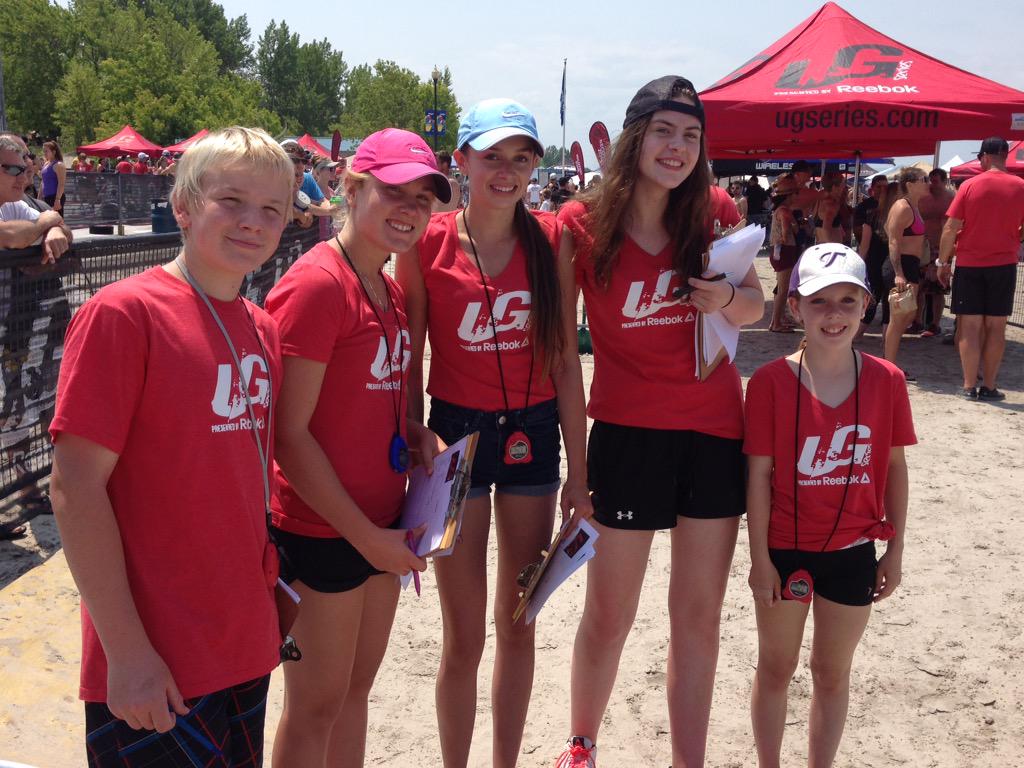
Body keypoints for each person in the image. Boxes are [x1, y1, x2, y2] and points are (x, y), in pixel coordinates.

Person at [48, 126, 293, 767]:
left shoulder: (261, 327)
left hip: (240, 640)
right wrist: (126, 653)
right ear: (183, 206)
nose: (253, 221)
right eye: (231, 200)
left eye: (272, 208)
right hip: (156, 657)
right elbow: (74, 489)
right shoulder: (124, 314)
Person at [554, 75, 764, 768]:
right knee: (610, 613)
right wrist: (576, 470)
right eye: (664, 131)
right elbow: (564, 358)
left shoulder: (715, 210)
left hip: (713, 434)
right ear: (635, 136)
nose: (677, 147)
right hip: (627, 437)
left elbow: (755, 309)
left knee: (696, 617)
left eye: (691, 135)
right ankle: (582, 744)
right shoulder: (580, 223)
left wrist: (725, 298)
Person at [397, 98, 591, 768]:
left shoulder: (551, 240)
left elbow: (564, 362)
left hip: (533, 433)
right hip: (456, 437)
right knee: (463, 638)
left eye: (521, 158)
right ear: (463, 161)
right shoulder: (427, 243)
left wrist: (580, 477)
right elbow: (410, 352)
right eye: (492, 157)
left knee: (518, 621)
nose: (507, 172)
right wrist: (412, 433)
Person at [265, 128, 448, 767]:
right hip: (322, 529)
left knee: (353, 695)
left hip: (381, 523)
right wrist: (367, 539)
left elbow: (365, 396)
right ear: (351, 187)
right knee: (315, 707)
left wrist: (414, 434)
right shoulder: (318, 284)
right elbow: (288, 436)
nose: (411, 210)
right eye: (395, 192)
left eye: (423, 199)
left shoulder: (387, 287)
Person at [744, 244, 913, 768]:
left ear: (867, 306)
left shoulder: (888, 381)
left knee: (832, 672)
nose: (833, 314)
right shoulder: (770, 382)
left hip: (854, 551)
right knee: (777, 668)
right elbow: (759, 476)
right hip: (785, 551)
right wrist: (759, 561)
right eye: (819, 300)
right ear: (795, 306)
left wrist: (894, 552)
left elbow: (895, 469)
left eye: (847, 300)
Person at [939, 137, 1024, 401]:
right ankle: (989, 386)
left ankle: (968, 386)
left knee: (970, 327)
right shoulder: (1021, 186)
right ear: (1004, 155)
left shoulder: (970, 185)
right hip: (1004, 263)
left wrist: (943, 262)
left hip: (970, 264)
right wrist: (1015, 237)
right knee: (997, 327)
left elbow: (951, 228)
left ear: (985, 157)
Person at [882, 168, 928, 381]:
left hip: (911, 265)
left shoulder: (912, 206)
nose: (927, 183)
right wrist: (899, 272)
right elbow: (893, 241)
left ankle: (888, 364)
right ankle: (889, 367)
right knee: (899, 319)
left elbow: (887, 228)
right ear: (910, 184)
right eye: (923, 179)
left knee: (906, 317)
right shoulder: (903, 207)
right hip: (902, 266)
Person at [916, 168, 955, 337]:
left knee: (938, 288)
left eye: (935, 181)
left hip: (941, 248)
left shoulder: (951, 198)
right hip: (923, 247)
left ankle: (934, 324)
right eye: (930, 181)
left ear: (944, 181)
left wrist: (949, 252)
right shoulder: (923, 197)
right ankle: (917, 321)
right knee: (919, 286)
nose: (932, 184)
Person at [853, 175, 889, 327]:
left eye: (885, 186)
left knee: (888, 291)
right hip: (871, 253)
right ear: (872, 188)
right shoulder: (864, 207)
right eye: (879, 186)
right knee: (872, 288)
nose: (882, 190)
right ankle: (864, 320)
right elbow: (857, 230)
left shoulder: (892, 205)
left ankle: (885, 322)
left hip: (888, 254)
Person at [768, 174, 800, 333]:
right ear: (789, 195)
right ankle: (776, 323)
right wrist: (796, 228)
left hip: (780, 250)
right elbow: (787, 233)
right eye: (795, 193)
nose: (797, 196)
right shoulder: (785, 211)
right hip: (784, 250)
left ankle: (777, 320)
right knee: (783, 289)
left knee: (781, 288)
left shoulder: (780, 210)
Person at [40, 141, 67, 215]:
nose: (44, 153)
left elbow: (61, 184)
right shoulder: (46, 164)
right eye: (43, 151)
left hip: (55, 197)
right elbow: (43, 181)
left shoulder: (59, 165)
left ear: (54, 152)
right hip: (46, 197)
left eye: (46, 151)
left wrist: (57, 199)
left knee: (56, 220)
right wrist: (39, 197)